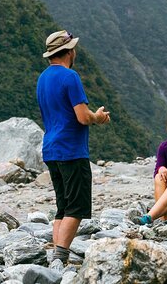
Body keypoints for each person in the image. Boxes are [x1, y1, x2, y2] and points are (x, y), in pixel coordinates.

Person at [36, 30, 111, 263]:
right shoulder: (70, 77)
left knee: (62, 206)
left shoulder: (42, 78)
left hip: (50, 148)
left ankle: (56, 258)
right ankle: (60, 255)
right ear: (69, 52)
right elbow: (82, 117)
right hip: (71, 149)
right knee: (76, 208)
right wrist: (98, 117)